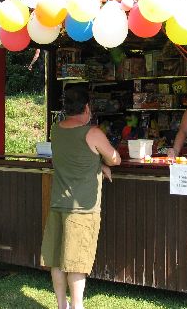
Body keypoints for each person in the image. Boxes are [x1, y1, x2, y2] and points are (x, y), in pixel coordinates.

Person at [40, 85, 121, 309]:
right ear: (87, 107)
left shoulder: (56, 130)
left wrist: (97, 164)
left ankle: (62, 305)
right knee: (76, 264)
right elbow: (115, 159)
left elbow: (74, 156)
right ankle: (77, 306)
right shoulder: (92, 133)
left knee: (57, 260)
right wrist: (104, 163)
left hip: (58, 203)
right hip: (83, 209)